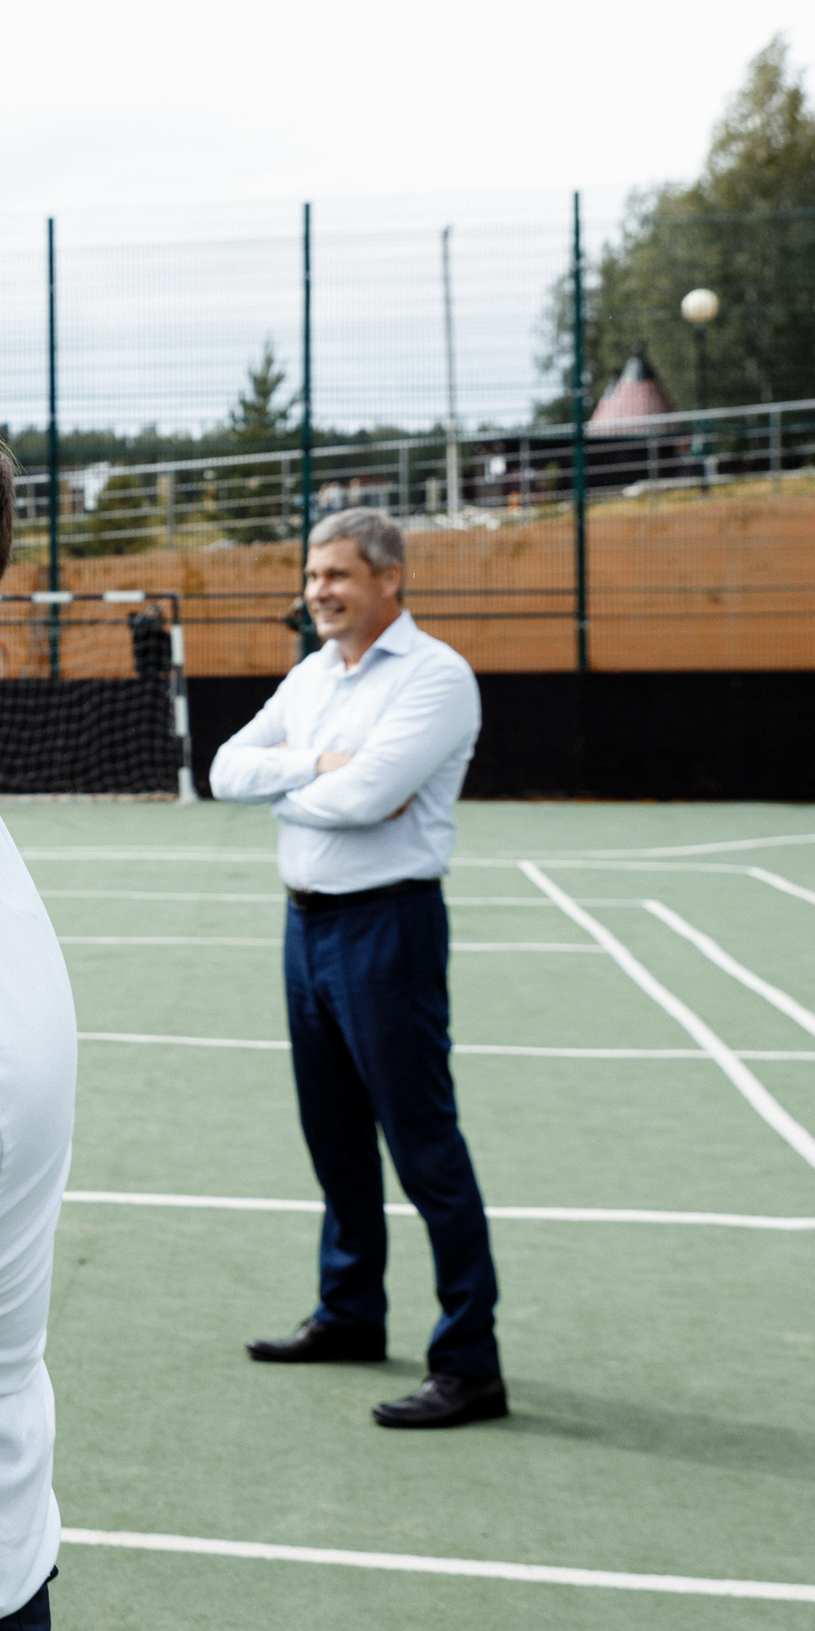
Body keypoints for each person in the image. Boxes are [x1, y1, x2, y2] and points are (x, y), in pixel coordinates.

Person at [209, 508, 504, 1431]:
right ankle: (350, 1314)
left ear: (390, 579)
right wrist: (315, 767)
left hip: (389, 928)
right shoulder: (311, 677)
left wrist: (295, 785)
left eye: (337, 574)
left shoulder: (436, 676)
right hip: (306, 928)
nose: (319, 591)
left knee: (423, 1146)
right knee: (334, 1136)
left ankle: (470, 1363)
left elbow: (369, 798)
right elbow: (223, 769)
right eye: (312, 576)